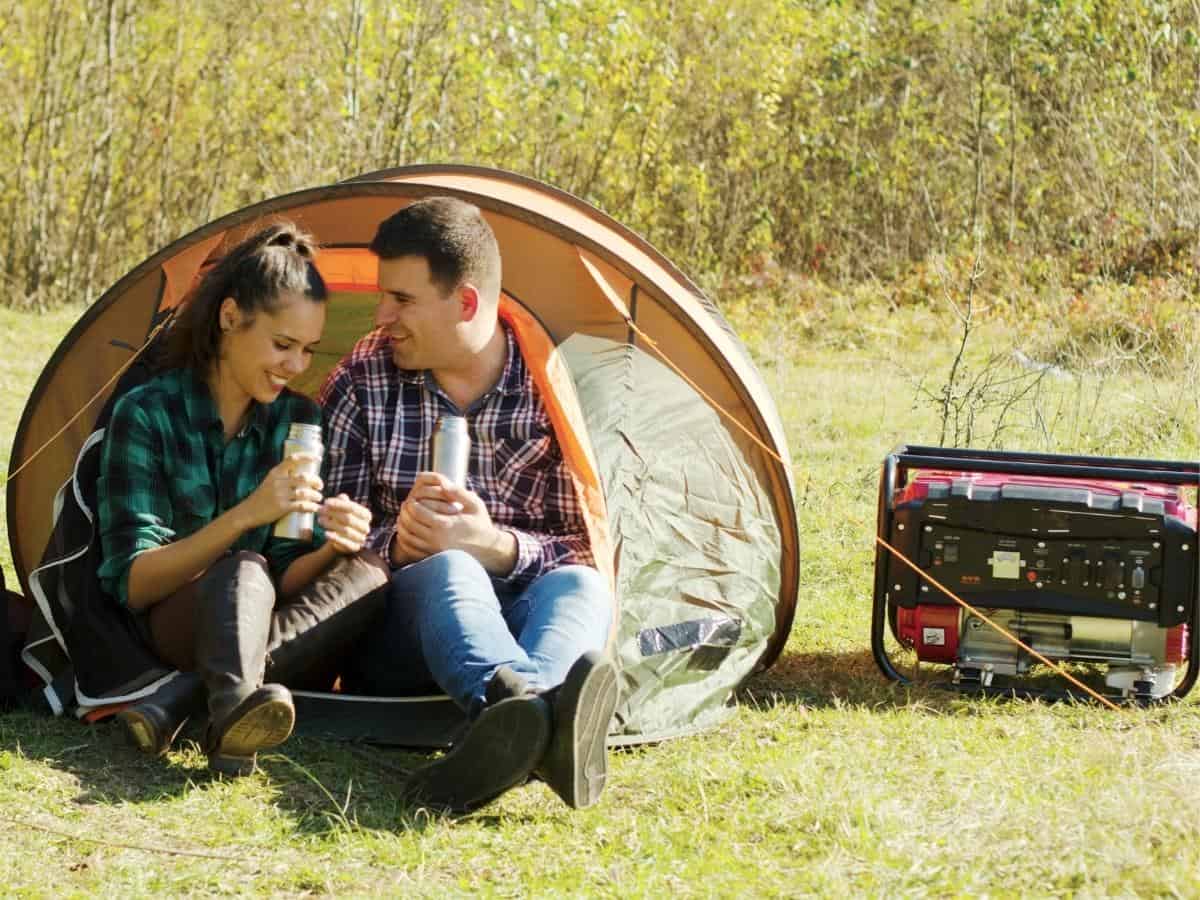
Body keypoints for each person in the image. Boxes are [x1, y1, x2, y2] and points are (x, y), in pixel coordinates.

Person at [319, 197, 618, 812]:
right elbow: (317, 533)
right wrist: (397, 545)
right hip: (404, 632)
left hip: (520, 608)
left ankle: (517, 722)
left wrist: (495, 547)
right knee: (450, 569)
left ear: (466, 302)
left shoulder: (547, 388)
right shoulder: (364, 377)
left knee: (585, 587)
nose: (381, 316)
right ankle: (536, 716)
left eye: (402, 300)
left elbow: (587, 543)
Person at [97, 221, 389, 775]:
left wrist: (331, 547)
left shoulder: (299, 421)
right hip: (176, 619)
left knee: (368, 573)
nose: (296, 366)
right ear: (230, 317)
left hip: (265, 614)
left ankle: (192, 704)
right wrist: (247, 516)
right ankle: (231, 709)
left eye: (308, 350)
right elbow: (134, 584)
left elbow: (285, 577)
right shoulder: (148, 413)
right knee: (242, 570)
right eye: (282, 345)